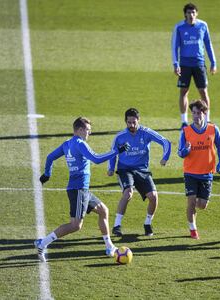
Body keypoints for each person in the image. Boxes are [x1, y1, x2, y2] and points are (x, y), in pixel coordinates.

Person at [35, 117, 130, 262]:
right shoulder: (80, 144)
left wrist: (47, 174)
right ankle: (42, 243)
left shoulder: (67, 144)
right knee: (75, 225)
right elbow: (96, 159)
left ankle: (109, 246)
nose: (89, 133)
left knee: (104, 211)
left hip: (81, 189)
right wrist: (116, 151)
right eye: (87, 130)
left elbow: (50, 157)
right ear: (79, 130)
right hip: (79, 189)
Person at [108, 108, 171, 237]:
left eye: (134, 122)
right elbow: (112, 153)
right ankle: (116, 226)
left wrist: (165, 157)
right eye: (129, 122)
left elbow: (165, 142)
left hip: (142, 170)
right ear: (125, 121)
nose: (132, 125)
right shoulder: (120, 137)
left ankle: (147, 223)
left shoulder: (146, 133)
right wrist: (110, 167)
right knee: (128, 193)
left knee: (153, 197)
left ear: (139, 120)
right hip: (125, 169)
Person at [178, 100, 220, 239]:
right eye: (193, 113)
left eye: (199, 113)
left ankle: (193, 212)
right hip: (190, 173)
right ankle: (193, 230)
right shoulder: (186, 131)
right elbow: (180, 153)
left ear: (204, 113)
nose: (196, 116)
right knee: (191, 202)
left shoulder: (213, 129)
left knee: (202, 205)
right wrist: (185, 150)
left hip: (206, 173)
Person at [171, 3, 217, 128]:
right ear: (185, 14)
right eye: (189, 13)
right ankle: (184, 121)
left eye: (193, 12)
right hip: (184, 65)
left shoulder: (203, 25)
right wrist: (175, 64)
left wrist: (213, 62)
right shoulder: (179, 27)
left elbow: (208, 44)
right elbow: (174, 47)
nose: (191, 15)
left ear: (197, 13)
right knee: (184, 92)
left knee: (203, 92)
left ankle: (207, 120)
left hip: (199, 64)